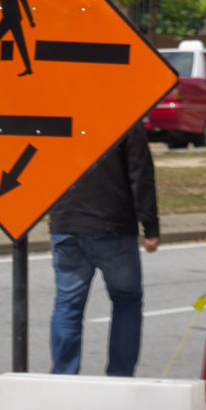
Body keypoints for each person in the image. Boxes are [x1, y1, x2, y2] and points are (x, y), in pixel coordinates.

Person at [48, 124, 160, 377]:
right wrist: (151, 226)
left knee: (68, 305)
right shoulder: (128, 120)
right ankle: (120, 377)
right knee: (126, 301)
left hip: (66, 222)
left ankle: (63, 376)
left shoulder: (64, 115)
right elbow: (141, 175)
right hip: (113, 225)